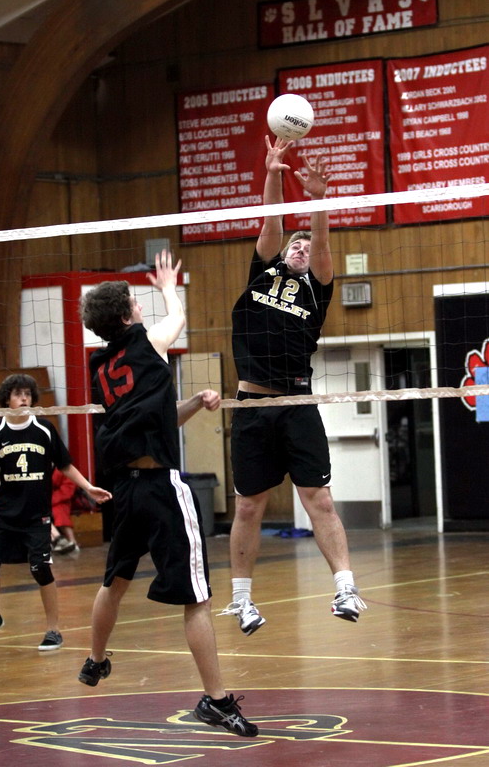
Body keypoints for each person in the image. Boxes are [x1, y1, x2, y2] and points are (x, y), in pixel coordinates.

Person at [79, 251, 258, 738]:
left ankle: (95, 660)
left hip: (124, 491)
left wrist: (195, 403)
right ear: (125, 317)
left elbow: (151, 419)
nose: (141, 307)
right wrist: (166, 287)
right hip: (160, 487)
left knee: (114, 581)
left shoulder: (101, 366)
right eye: (135, 303)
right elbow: (178, 317)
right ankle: (216, 701)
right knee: (197, 599)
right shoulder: (148, 342)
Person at [222, 135, 367, 636]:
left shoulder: (316, 290)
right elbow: (271, 223)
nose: (302, 246)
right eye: (294, 243)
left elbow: (322, 244)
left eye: (306, 245)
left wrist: (319, 198)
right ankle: (241, 600)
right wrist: (272, 173)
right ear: (283, 253)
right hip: (251, 405)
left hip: (298, 405)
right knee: (248, 505)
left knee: (318, 499)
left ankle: (345, 587)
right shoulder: (262, 272)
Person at [0, 374, 112, 650]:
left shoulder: (44, 429)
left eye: (27, 394)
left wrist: (88, 488)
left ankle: (53, 630)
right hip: (5, 514)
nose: (23, 399)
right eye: (18, 394)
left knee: (41, 568)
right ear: (7, 399)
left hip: (37, 516)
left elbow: (65, 464)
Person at [51, 467, 81, 554]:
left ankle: (72, 541)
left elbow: (68, 487)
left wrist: (52, 500)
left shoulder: (63, 468)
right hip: (45, 500)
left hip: (61, 499)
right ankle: (57, 540)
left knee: (59, 511)